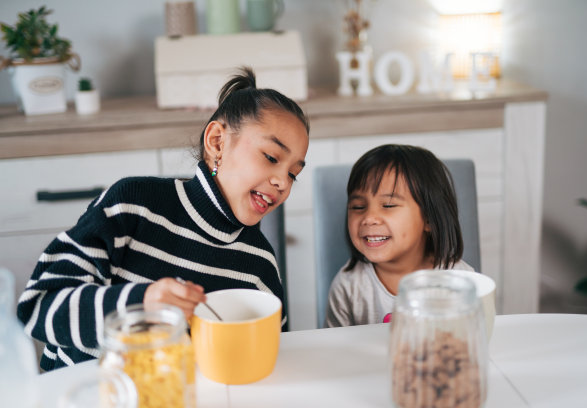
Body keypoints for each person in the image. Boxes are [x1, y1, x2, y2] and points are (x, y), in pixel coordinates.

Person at [17, 67, 310, 371]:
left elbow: (273, 356)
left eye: (293, 174)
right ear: (217, 142)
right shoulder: (133, 204)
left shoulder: (260, 265)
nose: (282, 182)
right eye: (272, 157)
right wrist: (142, 305)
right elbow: (38, 307)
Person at [325, 144, 473, 327]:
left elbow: (475, 341)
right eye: (358, 207)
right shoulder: (348, 286)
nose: (369, 218)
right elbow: (335, 349)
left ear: (429, 219)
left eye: (388, 205)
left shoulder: (461, 280)